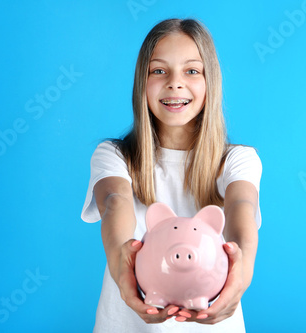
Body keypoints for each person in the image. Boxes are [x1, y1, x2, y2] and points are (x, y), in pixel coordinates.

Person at [81, 18, 262, 332]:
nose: (174, 83)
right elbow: (115, 201)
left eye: (192, 71)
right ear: (142, 82)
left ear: (210, 81)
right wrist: (121, 261)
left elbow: (241, 206)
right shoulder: (114, 156)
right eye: (158, 70)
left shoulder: (238, 160)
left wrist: (241, 274)